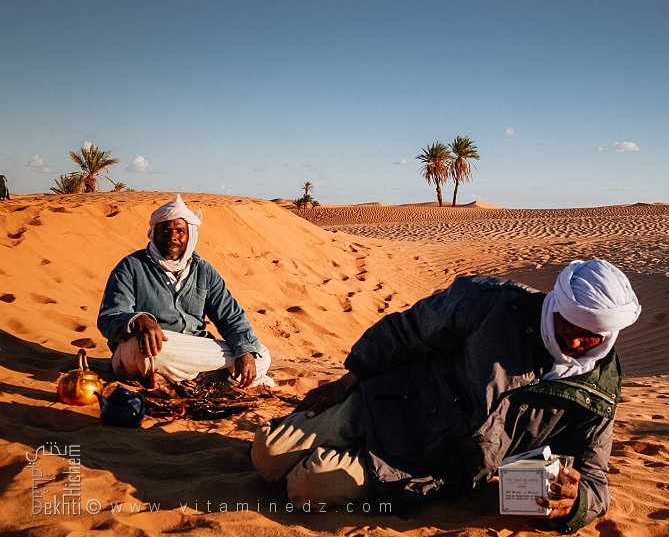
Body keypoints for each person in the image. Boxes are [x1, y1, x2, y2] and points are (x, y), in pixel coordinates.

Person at [252, 259, 640, 533]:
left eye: (590, 335)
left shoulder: (597, 389)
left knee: (305, 487)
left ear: (610, 335)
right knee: (266, 454)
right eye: (567, 324)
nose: (574, 340)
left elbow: (593, 476)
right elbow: (410, 328)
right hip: (393, 400)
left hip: (433, 466)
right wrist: (352, 376)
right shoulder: (494, 304)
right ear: (556, 305)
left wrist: (577, 504)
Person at [98, 194, 272, 388]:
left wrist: (244, 351)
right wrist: (138, 320)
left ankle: (185, 378)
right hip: (147, 350)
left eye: (180, 231)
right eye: (165, 230)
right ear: (153, 233)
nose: (173, 236)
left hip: (192, 348)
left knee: (260, 354)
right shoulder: (131, 267)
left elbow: (230, 317)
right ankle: (208, 377)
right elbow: (108, 319)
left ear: (190, 235)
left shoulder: (203, 271)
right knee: (148, 353)